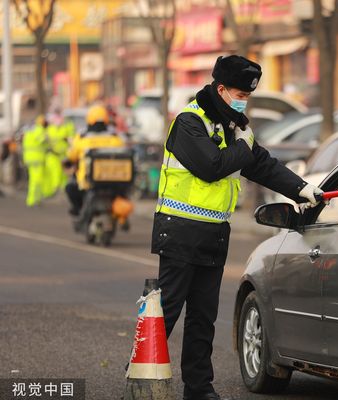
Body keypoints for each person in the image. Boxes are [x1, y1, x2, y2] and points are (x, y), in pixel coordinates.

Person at [151, 55, 323, 400]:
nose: (243, 99)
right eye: (239, 92)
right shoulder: (189, 121)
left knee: (203, 318)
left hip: (214, 234)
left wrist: (301, 188)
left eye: (248, 94)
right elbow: (211, 166)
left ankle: (198, 389)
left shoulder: (233, 127)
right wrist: (244, 146)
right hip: (180, 230)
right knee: (166, 313)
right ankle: (140, 380)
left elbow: (261, 164)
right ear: (220, 89)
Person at [65, 105, 126, 216]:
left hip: (87, 182)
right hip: (114, 181)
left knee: (70, 188)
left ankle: (78, 210)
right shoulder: (115, 138)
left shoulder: (83, 138)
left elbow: (72, 154)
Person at [22, 115, 49, 207]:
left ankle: (32, 200)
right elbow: (43, 141)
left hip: (29, 159)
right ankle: (34, 200)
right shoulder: (39, 130)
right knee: (37, 180)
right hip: (37, 159)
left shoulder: (30, 130)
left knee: (33, 180)